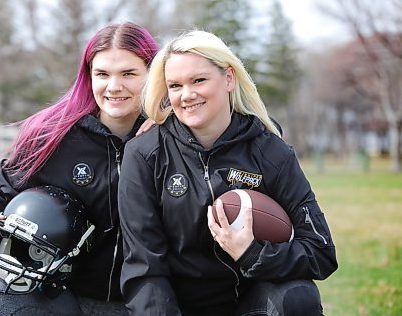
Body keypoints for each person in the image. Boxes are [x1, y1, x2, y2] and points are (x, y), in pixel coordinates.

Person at [118, 30, 338, 315]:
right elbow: (144, 268)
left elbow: (320, 252)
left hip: (248, 304)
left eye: (199, 80)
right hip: (179, 308)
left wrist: (252, 254)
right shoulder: (144, 154)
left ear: (229, 78)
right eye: (175, 86)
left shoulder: (271, 151)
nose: (187, 95)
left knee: (298, 297)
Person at [0, 22, 158, 315]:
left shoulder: (172, 139)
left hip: (147, 301)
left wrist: (168, 125)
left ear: (153, 75)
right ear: (88, 77)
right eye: (102, 74)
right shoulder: (54, 135)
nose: (114, 86)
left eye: (128, 74)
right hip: (64, 297)